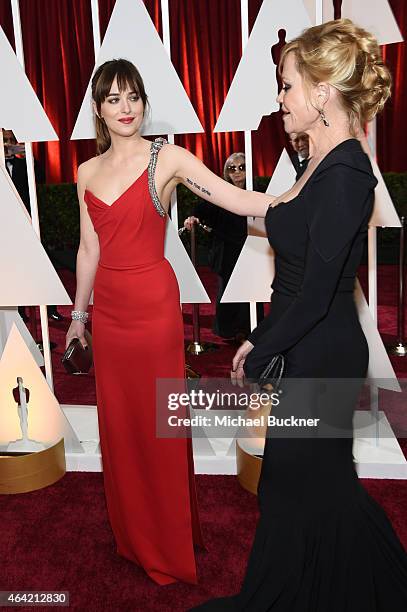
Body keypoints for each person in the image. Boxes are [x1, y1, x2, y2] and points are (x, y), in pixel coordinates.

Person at [192, 18, 407, 610]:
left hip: (321, 354)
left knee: (309, 488)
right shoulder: (318, 162)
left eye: (286, 86)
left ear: (321, 92)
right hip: (302, 345)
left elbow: (315, 294)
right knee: (301, 487)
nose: (280, 98)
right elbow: (276, 229)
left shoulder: (346, 173)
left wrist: (259, 347)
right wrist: (190, 172)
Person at [65, 59, 272, 585]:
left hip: (154, 308)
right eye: (113, 98)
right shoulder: (87, 172)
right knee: (122, 425)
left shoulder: (167, 158)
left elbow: (234, 197)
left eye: (132, 96)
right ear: (99, 109)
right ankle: (133, 537)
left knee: (160, 423)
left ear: (143, 101)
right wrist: (78, 316)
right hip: (108, 312)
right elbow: (89, 248)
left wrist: (297, 198)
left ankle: (167, 540)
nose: (125, 107)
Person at [184, 153, 263, 341]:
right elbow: (201, 209)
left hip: (251, 247)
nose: (237, 172)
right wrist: (192, 217)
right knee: (227, 290)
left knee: (252, 290)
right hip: (227, 250)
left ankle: (251, 329)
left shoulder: (257, 189)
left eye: (242, 167)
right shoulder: (221, 190)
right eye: (232, 168)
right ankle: (228, 331)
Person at [3, 129, 64, 322]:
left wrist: (27, 154)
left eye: (11, 140)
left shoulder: (24, 163)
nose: (7, 144)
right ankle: (19, 312)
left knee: (44, 265)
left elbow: (40, 177)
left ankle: (50, 309)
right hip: (5, 227)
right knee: (14, 270)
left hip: (30, 223)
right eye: (4, 140)